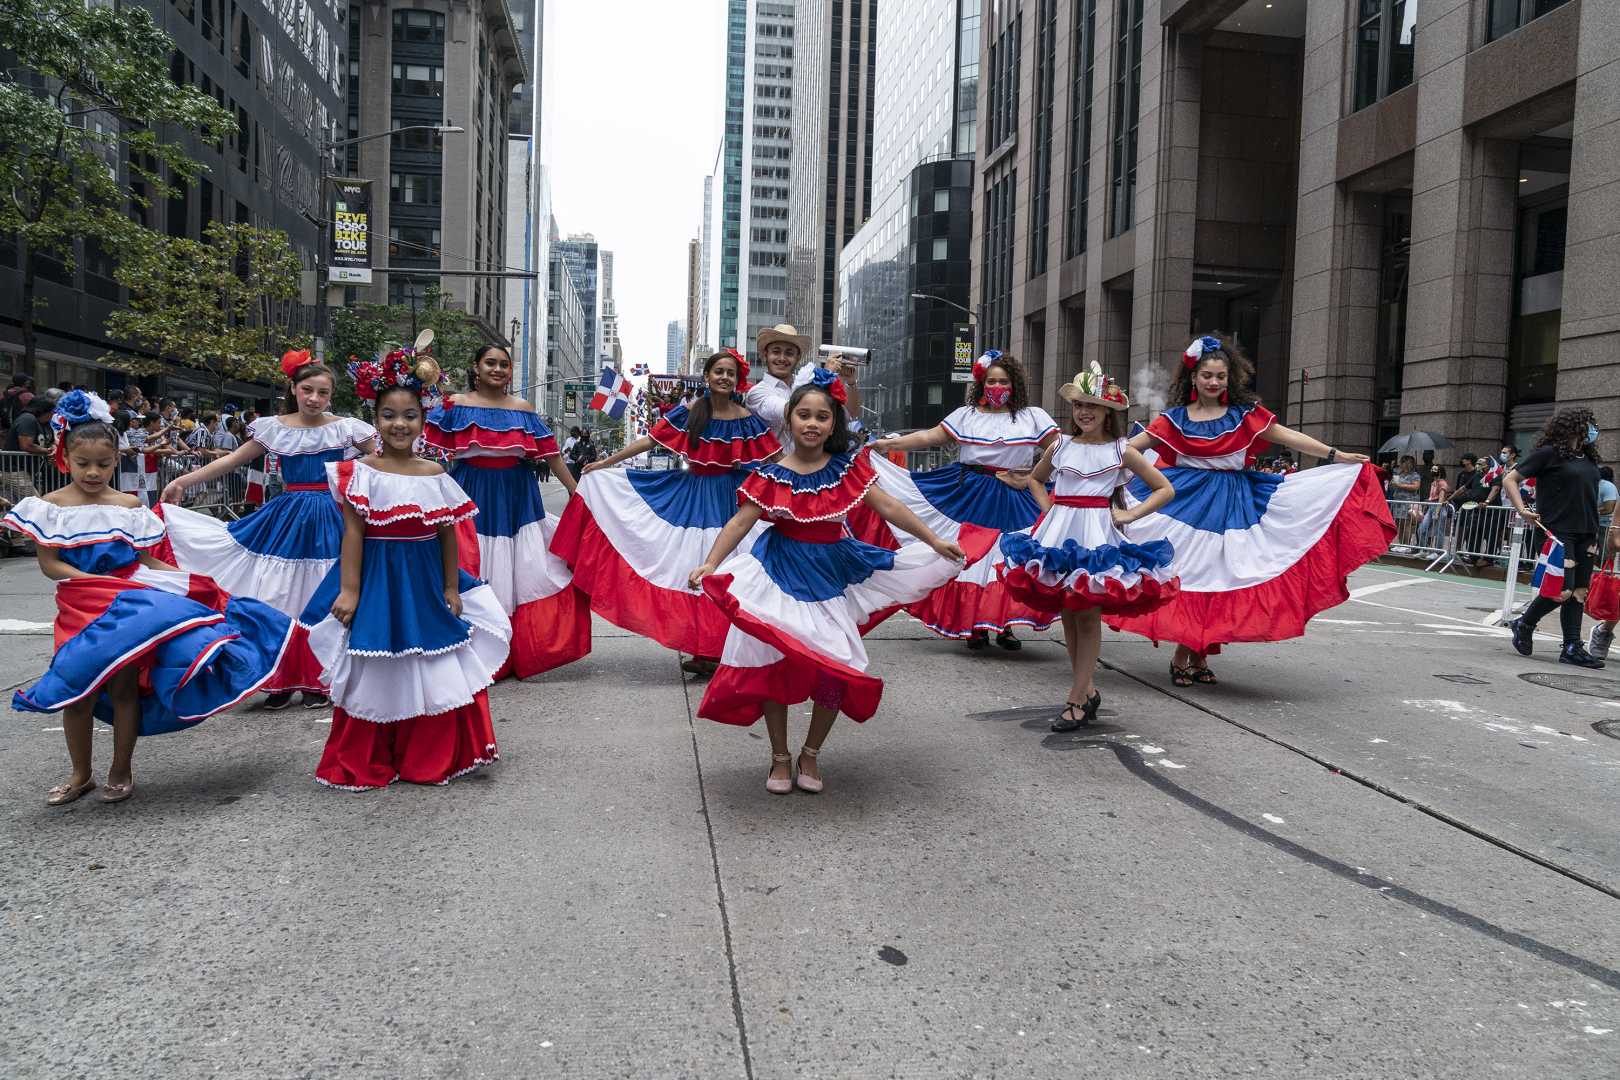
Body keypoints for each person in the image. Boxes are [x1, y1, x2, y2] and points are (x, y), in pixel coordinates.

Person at [687, 369, 987, 795]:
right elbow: (740, 521)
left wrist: (934, 539)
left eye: (822, 417)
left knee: (836, 666)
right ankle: (779, 756)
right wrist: (711, 563)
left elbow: (889, 507)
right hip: (778, 572)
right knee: (772, 661)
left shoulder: (847, 469)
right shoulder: (769, 474)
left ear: (834, 424)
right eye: (804, 415)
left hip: (833, 574)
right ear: (790, 419)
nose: (812, 423)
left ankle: (811, 752)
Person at [2, 392, 293, 804]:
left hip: (128, 607)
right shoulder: (48, 506)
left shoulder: (128, 505)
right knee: (77, 690)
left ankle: (121, 767)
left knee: (123, 690)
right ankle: (80, 773)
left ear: (115, 461)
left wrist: (191, 582)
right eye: (83, 464)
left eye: (103, 464)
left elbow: (146, 561)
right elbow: (50, 564)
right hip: (79, 606)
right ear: (65, 457)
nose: (93, 472)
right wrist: (89, 581)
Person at [1107, 334, 1391, 686]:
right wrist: (1090, 460)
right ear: (1193, 377)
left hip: (1236, 506)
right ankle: (1185, 654)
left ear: (1231, 378)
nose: (1213, 382)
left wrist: (1337, 456)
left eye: (1220, 376)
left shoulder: (1245, 415)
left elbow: (1289, 437)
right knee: (1190, 575)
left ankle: (1198, 654)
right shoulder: (1174, 419)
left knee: (1226, 576)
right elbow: (1130, 449)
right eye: (1207, 375)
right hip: (1184, 503)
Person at [298, 351, 510, 789]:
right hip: (377, 579)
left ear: (423, 419)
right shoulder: (358, 472)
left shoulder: (434, 472)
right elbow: (353, 534)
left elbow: (447, 534)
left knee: (431, 661)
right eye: (389, 415)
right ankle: (371, 757)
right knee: (376, 664)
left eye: (410, 416)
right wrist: (350, 591)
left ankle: (427, 757)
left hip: (424, 579)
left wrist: (452, 587)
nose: (400, 424)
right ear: (374, 419)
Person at [159, 350, 379, 708]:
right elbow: (232, 460)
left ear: (331, 395)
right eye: (307, 390)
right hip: (286, 517)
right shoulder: (275, 427)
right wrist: (184, 480)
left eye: (323, 393)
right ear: (293, 388)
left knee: (323, 593)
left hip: (333, 516)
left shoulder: (347, 427)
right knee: (280, 594)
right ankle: (279, 677)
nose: (314, 398)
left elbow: (385, 459)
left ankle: (318, 677)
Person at [554, 349, 779, 675]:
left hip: (732, 501)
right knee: (691, 569)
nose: (724, 378)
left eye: (730, 373)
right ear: (707, 377)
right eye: (719, 371)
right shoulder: (691, 412)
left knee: (729, 571)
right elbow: (650, 442)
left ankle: (725, 648)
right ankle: (704, 650)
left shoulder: (748, 420)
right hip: (691, 496)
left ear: (737, 380)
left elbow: (774, 458)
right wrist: (605, 463)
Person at [1000, 365, 1179, 730]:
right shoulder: (1060, 444)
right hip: (1059, 535)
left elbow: (1164, 488)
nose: (1084, 412)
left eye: (1093, 406)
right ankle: (1087, 691)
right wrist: (1051, 509)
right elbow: (1036, 481)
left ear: (1108, 413)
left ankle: (1076, 698)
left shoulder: (1122, 450)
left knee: (1087, 615)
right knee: (1069, 612)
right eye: (1080, 404)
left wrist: (1130, 515)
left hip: (1097, 536)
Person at [867, 351, 1060, 649]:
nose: (997, 387)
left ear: (1015, 384)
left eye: (1004, 381)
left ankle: (1004, 626)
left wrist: (1034, 474)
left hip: (1017, 494)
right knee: (969, 557)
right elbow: (929, 437)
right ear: (982, 384)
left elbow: (1059, 449)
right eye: (991, 381)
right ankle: (975, 626)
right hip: (971, 491)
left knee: (1008, 556)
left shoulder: (1033, 416)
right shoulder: (966, 415)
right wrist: (886, 445)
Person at [424, 344, 589, 679]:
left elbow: (552, 455)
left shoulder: (523, 409)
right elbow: (428, 451)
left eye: (503, 365)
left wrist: (577, 492)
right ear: (476, 366)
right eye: (490, 363)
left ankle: (514, 648)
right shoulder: (454, 405)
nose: (498, 369)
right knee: (473, 561)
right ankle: (475, 647)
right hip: (469, 489)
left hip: (517, 495)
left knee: (522, 567)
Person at [1506, 408, 1605, 668]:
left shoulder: (1588, 458)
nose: (1593, 429)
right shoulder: (1548, 454)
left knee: (1579, 592)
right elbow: (1510, 479)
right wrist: (1522, 510)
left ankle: (1572, 646)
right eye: (1589, 424)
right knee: (1562, 590)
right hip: (1557, 531)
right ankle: (1525, 623)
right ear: (1574, 426)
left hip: (1587, 532)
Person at [1387, 455, 1423, 551]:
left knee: (1407, 523)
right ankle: (1401, 544)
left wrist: (1399, 485)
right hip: (1398, 502)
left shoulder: (1415, 475)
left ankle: (1407, 545)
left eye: (1402, 462)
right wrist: (1392, 484)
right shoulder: (1400, 474)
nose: (1400, 465)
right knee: (1399, 523)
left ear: (1407, 464)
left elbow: (1415, 487)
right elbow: (1393, 487)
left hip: (1408, 502)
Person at [1415, 465, 1451, 549]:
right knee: (1421, 529)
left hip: (1439, 509)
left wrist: (1437, 512)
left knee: (1439, 531)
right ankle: (1424, 549)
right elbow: (1433, 497)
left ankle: (1437, 552)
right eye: (1432, 469)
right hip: (1431, 508)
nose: (1432, 470)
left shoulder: (1442, 483)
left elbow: (1441, 498)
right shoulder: (1433, 483)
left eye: (1434, 469)